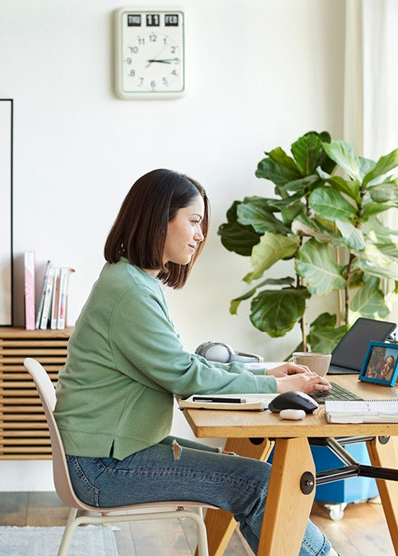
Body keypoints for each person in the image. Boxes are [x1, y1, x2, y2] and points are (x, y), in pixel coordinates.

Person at [53, 169, 337, 556]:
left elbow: (179, 363)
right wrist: (278, 387)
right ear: (159, 220)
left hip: (112, 452)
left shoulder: (131, 280)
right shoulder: (130, 291)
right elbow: (186, 376)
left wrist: (266, 372)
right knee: (259, 483)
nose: (201, 235)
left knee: (249, 476)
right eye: (194, 221)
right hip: (103, 467)